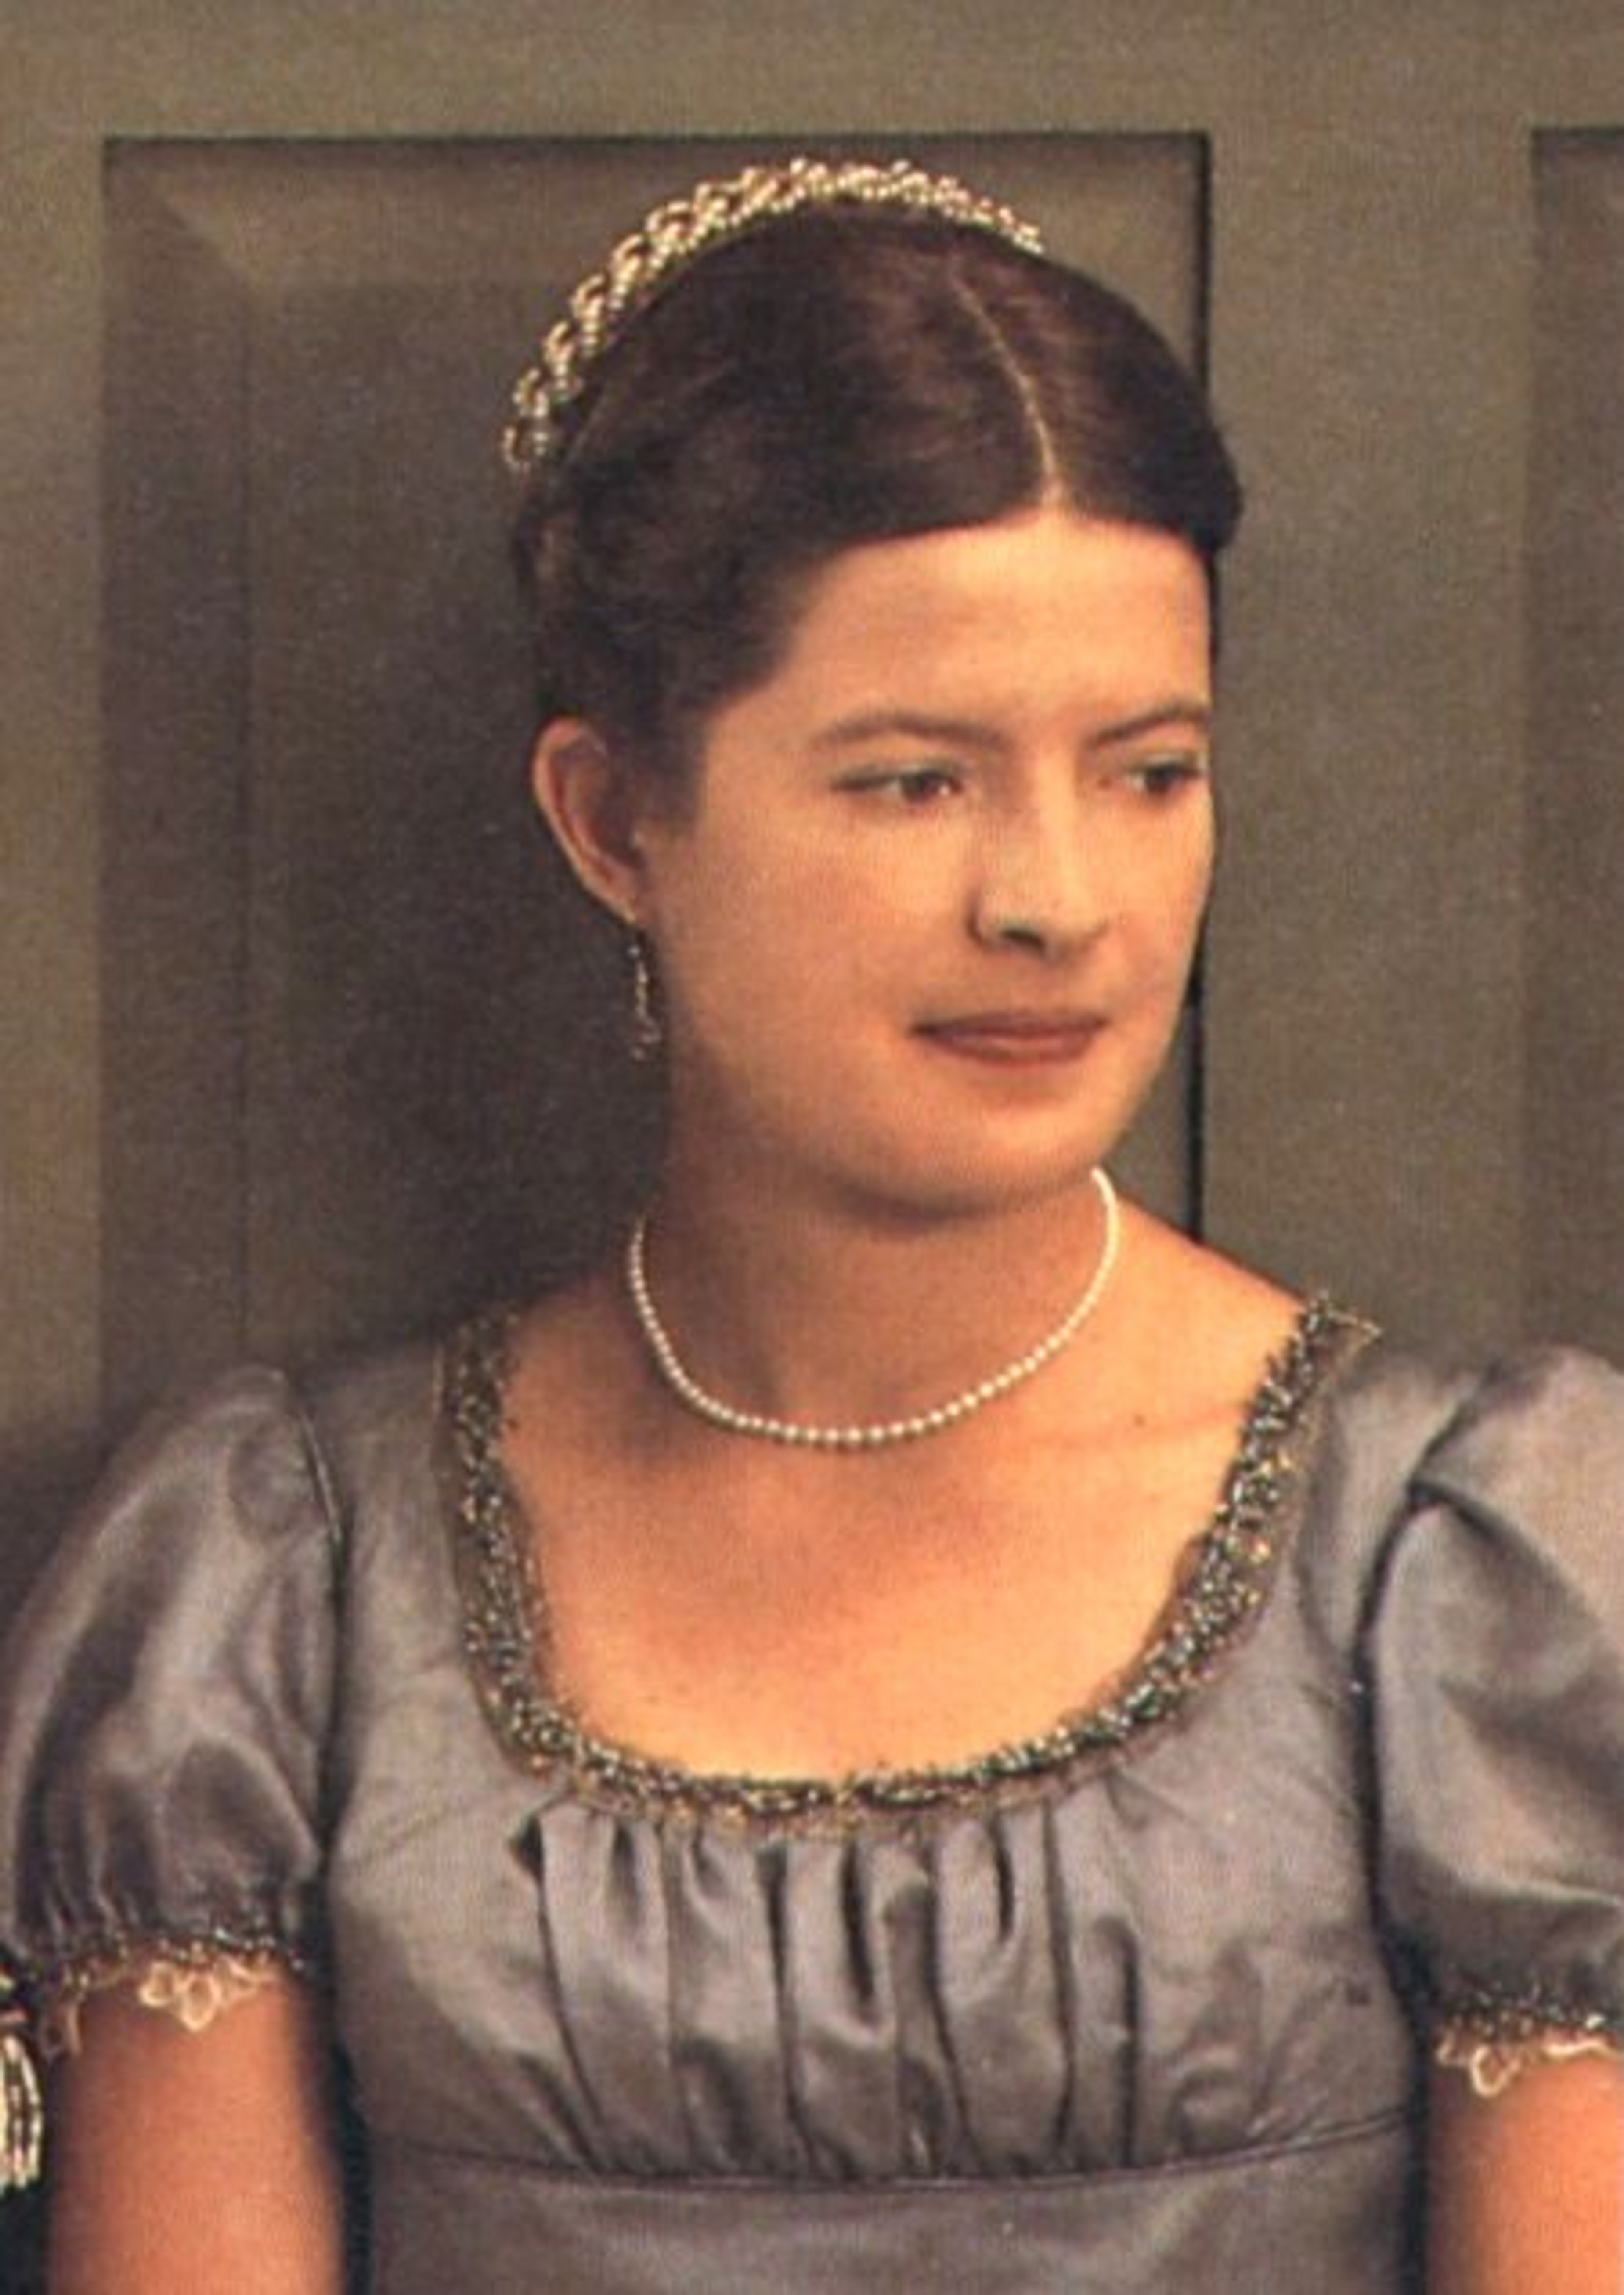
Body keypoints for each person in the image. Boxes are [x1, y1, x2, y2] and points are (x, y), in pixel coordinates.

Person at [0, 155, 1620, 2295]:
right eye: (913, 780)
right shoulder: (281, 1585)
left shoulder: (1471, 1561)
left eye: (1148, 768)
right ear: (613, 821)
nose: (1057, 899)